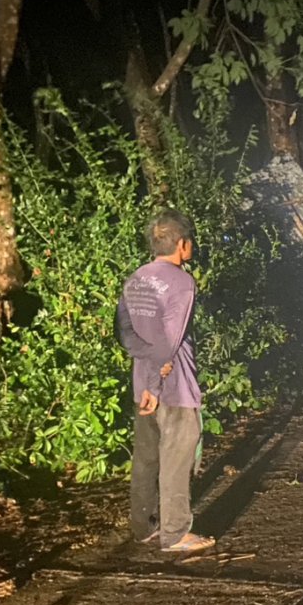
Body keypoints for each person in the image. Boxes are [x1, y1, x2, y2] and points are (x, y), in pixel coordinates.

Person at [116, 209, 215, 552]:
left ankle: (143, 527)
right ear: (182, 244)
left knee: (146, 459)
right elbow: (169, 343)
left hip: (141, 383)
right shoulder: (182, 283)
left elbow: (124, 333)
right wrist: (155, 387)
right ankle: (174, 533)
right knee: (176, 459)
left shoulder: (135, 279)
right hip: (171, 388)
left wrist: (144, 381)